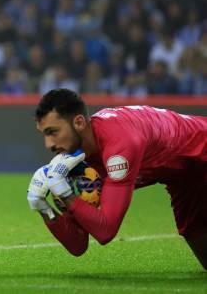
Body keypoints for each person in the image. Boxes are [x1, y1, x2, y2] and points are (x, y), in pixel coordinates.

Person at [27, 88, 207, 268]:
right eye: (44, 134)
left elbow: (105, 231)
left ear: (79, 123)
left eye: (53, 132)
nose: (48, 144)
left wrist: (65, 193)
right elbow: (78, 245)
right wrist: (44, 208)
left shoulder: (118, 144)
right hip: (183, 180)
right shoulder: (76, 164)